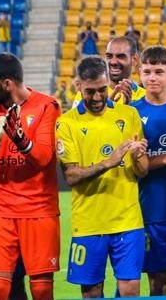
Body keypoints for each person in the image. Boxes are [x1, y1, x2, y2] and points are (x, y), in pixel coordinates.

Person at [56, 57, 148, 298]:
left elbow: (142, 171)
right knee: (92, 293)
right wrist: (109, 162)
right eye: (89, 91)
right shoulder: (66, 124)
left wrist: (138, 157)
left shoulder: (129, 114)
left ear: (108, 83)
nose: (97, 98)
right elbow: (71, 176)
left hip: (128, 220)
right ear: (78, 85)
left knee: (130, 291)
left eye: (101, 90)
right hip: (88, 223)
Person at [0, 51, 61, 300]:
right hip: (1, 212)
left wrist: (22, 141)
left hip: (39, 210)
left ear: (7, 84)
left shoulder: (47, 106)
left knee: (42, 289)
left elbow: (44, 159)